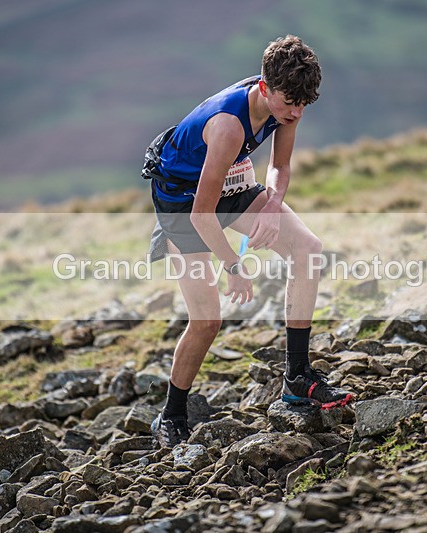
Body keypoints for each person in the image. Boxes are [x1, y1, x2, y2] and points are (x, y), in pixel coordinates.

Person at [143, 35, 354, 448]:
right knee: (207, 320)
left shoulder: (290, 102)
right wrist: (234, 268)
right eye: (287, 104)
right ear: (263, 87)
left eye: (302, 105)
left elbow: (280, 164)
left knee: (308, 250)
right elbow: (202, 214)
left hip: (231, 184)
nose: (294, 113)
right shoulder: (228, 126)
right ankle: (171, 414)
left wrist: (273, 203)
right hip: (184, 202)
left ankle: (296, 376)